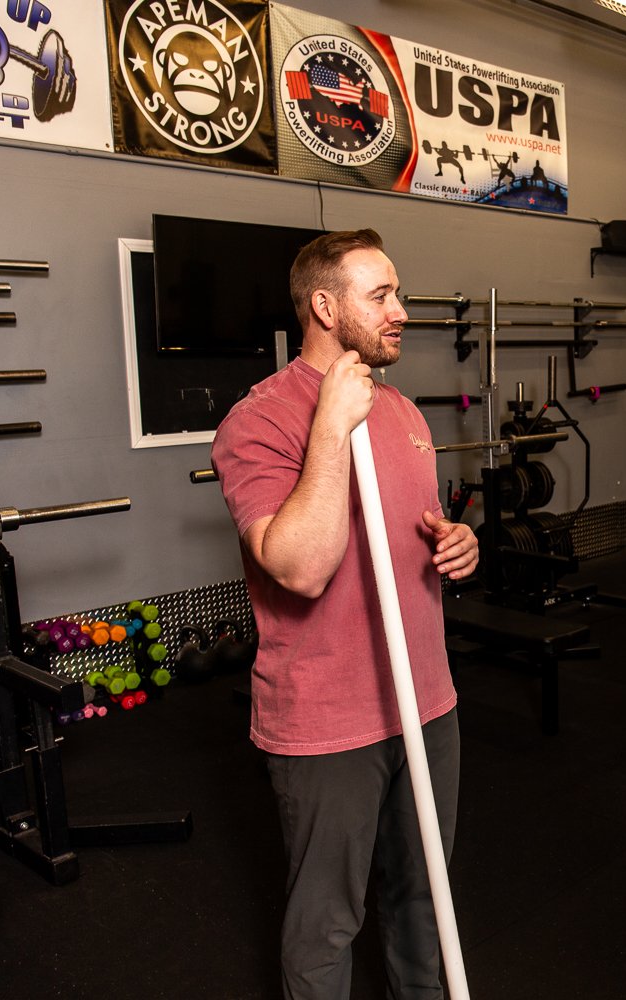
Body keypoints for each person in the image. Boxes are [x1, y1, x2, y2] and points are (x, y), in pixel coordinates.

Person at [210, 228, 479, 1000]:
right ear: (325, 306)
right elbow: (299, 567)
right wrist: (330, 424)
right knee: (328, 924)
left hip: (428, 705)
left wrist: (457, 545)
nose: (401, 310)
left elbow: (412, 536)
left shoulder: (404, 414)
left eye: (398, 292)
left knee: (424, 902)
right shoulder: (259, 421)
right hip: (328, 722)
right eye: (381, 295)